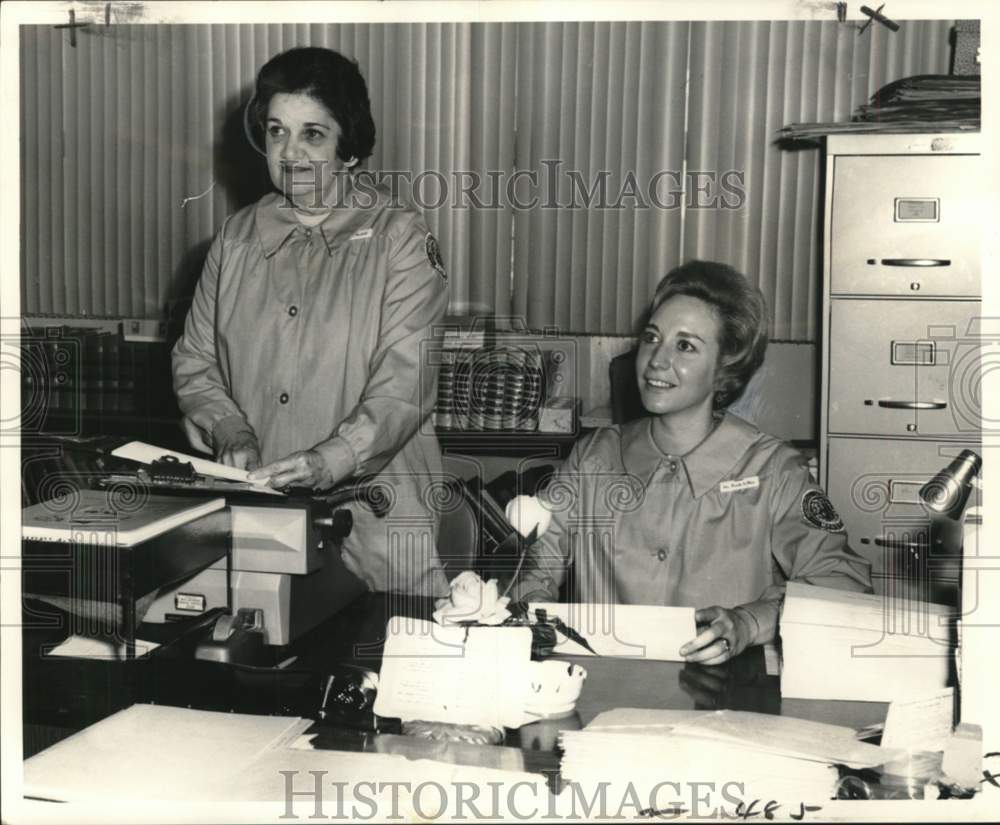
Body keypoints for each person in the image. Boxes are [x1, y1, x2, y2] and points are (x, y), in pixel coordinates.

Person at [172, 47, 450, 597]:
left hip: (380, 516)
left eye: (313, 135)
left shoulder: (401, 240)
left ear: (349, 148)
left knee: (390, 665)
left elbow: (405, 386)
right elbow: (195, 360)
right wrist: (229, 428)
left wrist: (332, 460)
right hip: (264, 516)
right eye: (277, 132)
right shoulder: (235, 239)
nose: (291, 153)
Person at [509, 261, 872, 663]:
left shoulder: (774, 470)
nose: (656, 360)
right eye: (652, 337)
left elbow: (843, 586)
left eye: (685, 346)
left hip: (723, 705)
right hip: (602, 693)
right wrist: (533, 612)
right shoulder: (594, 457)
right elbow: (531, 568)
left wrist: (751, 622)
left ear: (724, 371)